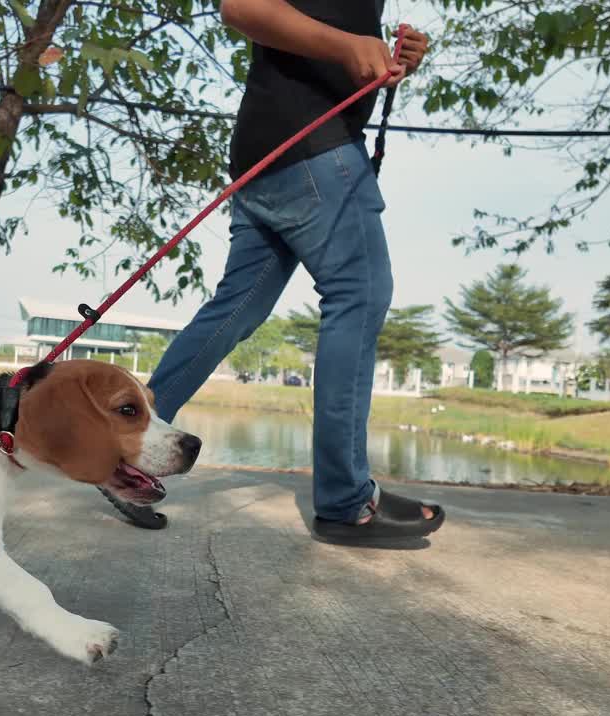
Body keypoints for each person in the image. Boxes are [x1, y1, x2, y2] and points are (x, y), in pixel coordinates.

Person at [98, 0, 445, 542]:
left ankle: (122, 451)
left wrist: (386, 54)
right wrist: (352, 45)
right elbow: (242, 5)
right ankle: (346, 500)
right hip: (314, 151)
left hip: (272, 151)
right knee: (359, 294)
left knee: (237, 307)